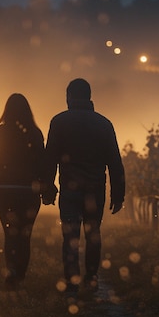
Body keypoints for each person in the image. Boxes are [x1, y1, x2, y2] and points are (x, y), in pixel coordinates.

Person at [43, 78, 125, 295]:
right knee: (93, 234)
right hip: (95, 190)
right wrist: (118, 194)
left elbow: (50, 158)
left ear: (68, 97)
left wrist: (47, 188)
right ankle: (91, 278)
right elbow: (115, 162)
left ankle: (71, 280)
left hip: (69, 189)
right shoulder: (104, 124)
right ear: (89, 97)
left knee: (70, 236)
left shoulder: (58, 122)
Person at [0, 93, 46, 290]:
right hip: (29, 191)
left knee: (10, 234)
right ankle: (20, 275)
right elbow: (42, 163)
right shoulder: (34, 133)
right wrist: (44, 186)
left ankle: (11, 274)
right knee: (25, 236)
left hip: (5, 190)